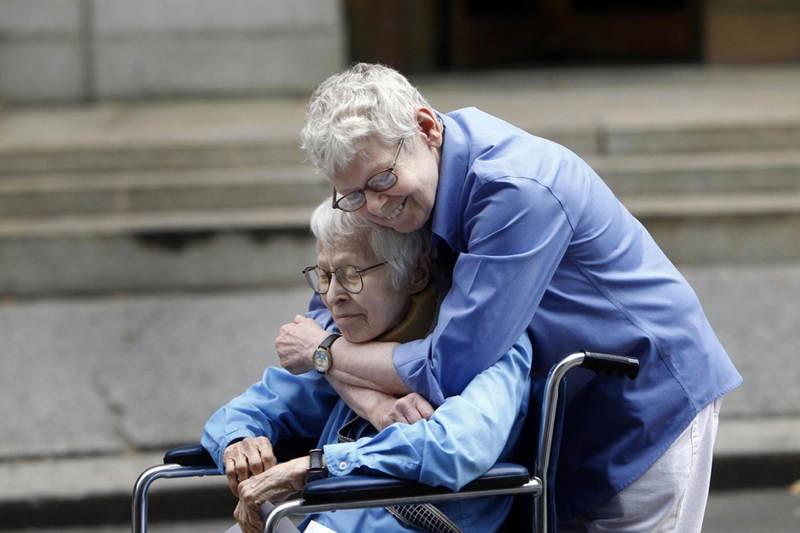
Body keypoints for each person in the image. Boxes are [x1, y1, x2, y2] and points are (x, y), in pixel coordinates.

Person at [275, 63, 743, 532]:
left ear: (426, 126)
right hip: (564, 409)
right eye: (352, 195)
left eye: (380, 182)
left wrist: (324, 356)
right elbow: (338, 326)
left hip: (646, 399)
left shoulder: (515, 188)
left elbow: (447, 366)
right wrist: (367, 395)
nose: (374, 208)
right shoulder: (403, 168)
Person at [202, 200, 532, 533]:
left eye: (350, 275)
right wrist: (240, 443)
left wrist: (316, 466)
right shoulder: (348, 343)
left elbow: (458, 445)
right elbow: (247, 411)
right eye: (325, 276)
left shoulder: (491, 343)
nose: (332, 296)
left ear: (415, 274)